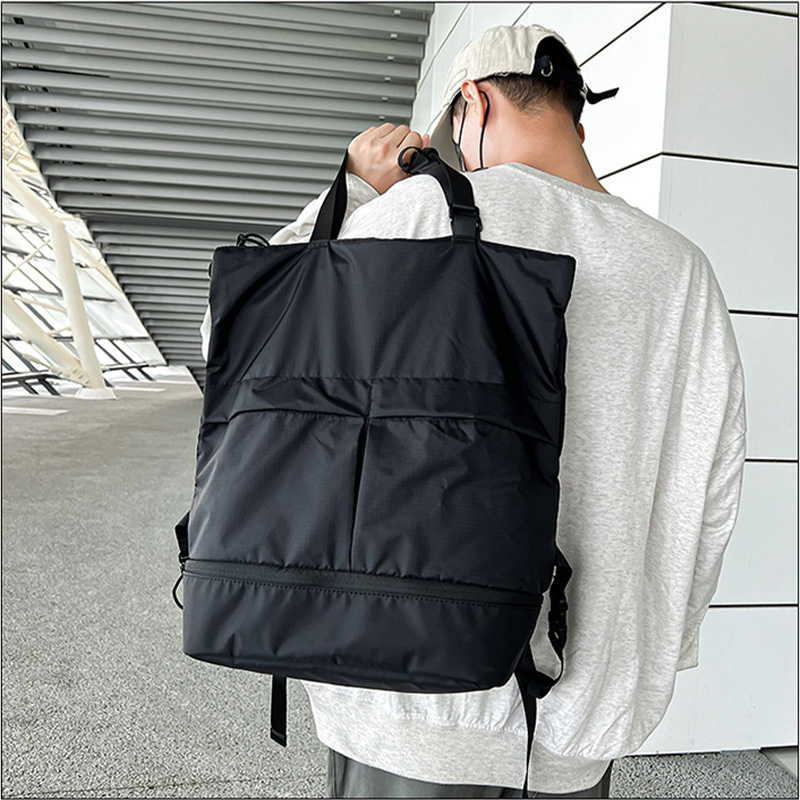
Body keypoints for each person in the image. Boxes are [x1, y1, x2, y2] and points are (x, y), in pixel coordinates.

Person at [199, 23, 746, 799]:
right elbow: (712, 489)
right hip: (584, 719)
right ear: (573, 114)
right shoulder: (681, 271)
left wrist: (352, 190)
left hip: (405, 701)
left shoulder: (412, 218)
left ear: (473, 103)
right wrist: (648, 657)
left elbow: (238, 346)